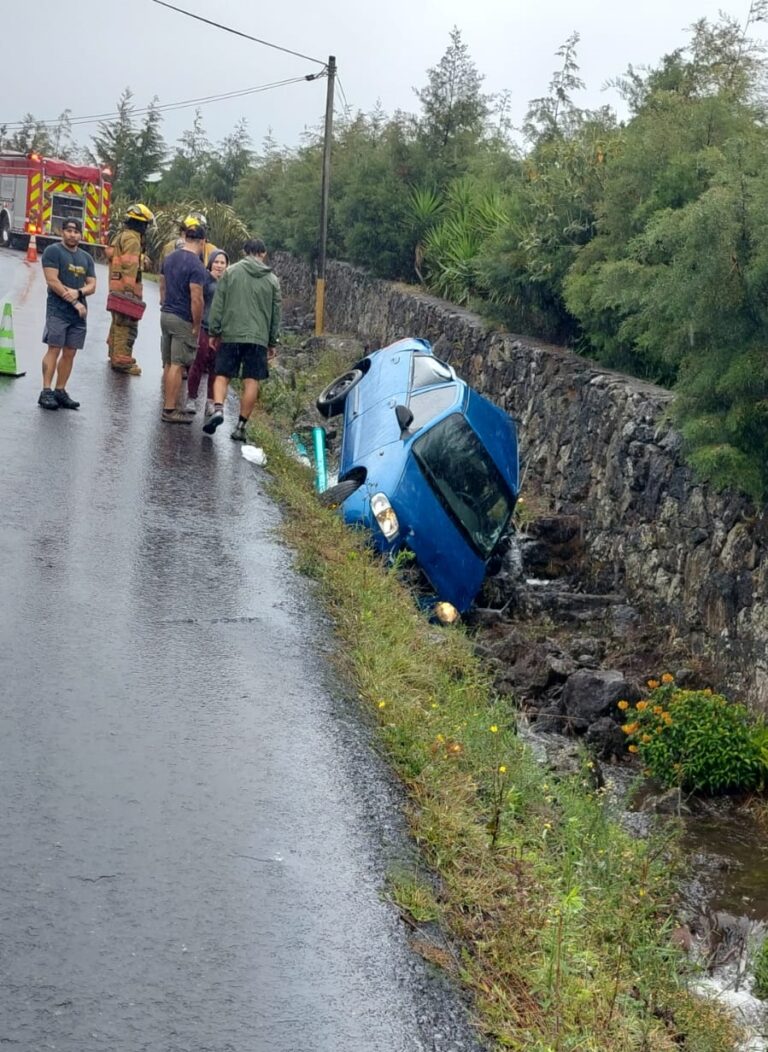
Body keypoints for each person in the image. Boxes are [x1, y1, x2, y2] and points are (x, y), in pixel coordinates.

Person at [204, 238, 281, 441]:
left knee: (222, 374)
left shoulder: (230, 272)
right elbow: (276, 313)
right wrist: (272, 341)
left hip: (231, 333)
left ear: (245, 252)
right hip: (258, 338)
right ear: (263, 254)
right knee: (251, 381)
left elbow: (218, 304)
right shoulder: (272, 280)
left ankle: (218, 409)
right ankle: (240, 426)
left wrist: (214, 331)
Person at [38, 218, 96, 410]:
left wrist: (79, 293)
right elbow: (52, 281)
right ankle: (46, 391)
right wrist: (72, 300)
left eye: (76, 231)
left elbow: (92, 285)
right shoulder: (53, 251)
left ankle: (60, 391)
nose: (72, 234)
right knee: (54, 348)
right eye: (69, 230)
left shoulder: (86, 258)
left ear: (81, 234)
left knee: (70, 352)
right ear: (62, 232)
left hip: (78, 314)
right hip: (58, 310)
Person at [159, 214, 208, 424]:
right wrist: (196, 325)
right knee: (178, 364)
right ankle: (170, 409)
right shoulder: (196, 266)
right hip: (182, 318)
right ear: (202, 241)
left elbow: (162, 284)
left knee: (169, 363)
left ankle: (169, 403)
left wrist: (164, 302)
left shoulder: (170, 258)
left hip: (166, 314)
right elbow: (197, 299)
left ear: (185, 236)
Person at [105, 202, 155, 375]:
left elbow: (113, 256)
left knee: (117, 323)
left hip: (115, 288)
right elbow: (129, 267)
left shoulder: (120, 236)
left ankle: (113, 354)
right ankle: (122, 361)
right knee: (127, 326)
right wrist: (129, 293)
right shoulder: (133, 240)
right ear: (142, 224)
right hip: (126, 291)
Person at [185, 249, 229, 415]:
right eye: (216, 262)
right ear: (211, 263)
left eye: (222, 263)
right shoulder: (204, 278)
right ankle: (191, 398)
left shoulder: (229, 282)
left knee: (215, 367)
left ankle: (210, 401)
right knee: (198, 363)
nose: (219, 265)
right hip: (204, 327)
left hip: (221, 332)